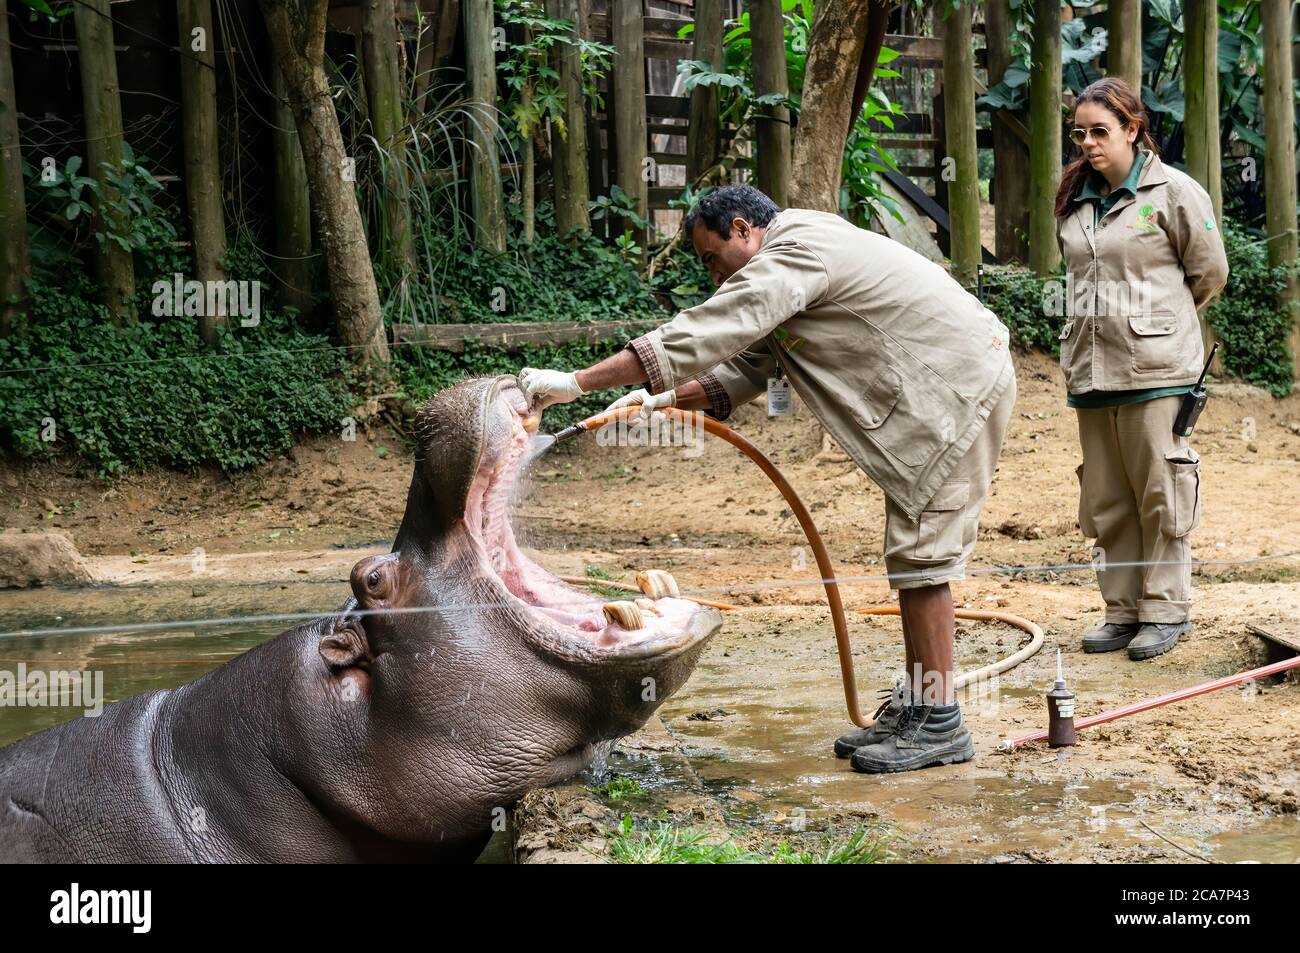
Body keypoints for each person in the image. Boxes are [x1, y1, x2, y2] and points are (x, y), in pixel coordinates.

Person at [519, 184, 1015, 774]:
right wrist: (657, 400)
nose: (712, 277)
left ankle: (938, 720)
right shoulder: (790, 260)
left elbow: (715, 327)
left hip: (958, 391)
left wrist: (578, 382)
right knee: (913, 550)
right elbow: (746, 368)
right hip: (946, 391)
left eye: (710, 258)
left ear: (741, 229)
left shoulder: (798, 249)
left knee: (923, 553)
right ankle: (920, 705)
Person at [1056, 78, 1229, 661]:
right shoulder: (1076, 197)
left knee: (1162, 493)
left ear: (1133, 128)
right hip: (1091, 372)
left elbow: (1208, 273)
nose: (1088, 143)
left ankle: (1165, 610)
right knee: (1106, 500)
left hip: (1158, 372)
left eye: (1100, 131)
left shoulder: (1175, 191)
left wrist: (1158, 326)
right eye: (1080, 133)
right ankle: (1123, 611)